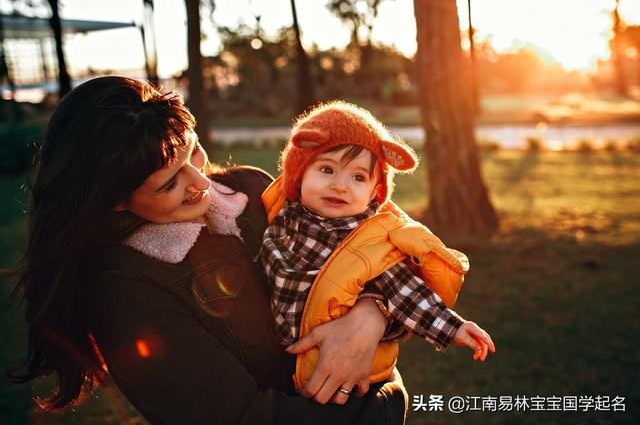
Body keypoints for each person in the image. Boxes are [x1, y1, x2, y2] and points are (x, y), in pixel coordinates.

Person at [8, 77, 407, 424]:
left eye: (194, 151)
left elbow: (382, 246)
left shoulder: (252, 189)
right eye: (169, 183)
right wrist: (387, 403)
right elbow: (243, 418)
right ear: (114, 200)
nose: (202, 182)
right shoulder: (124, 291)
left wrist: (372, 315)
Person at [259, 101, 496, 392]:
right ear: (299, 173)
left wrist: (453, 328)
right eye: (326, 169)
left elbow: (405, 291)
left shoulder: (368, 240)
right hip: (281, 363)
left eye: (358, 177)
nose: (340, 185)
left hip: (340, 368)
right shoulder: (281, 215)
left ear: (375, 192)